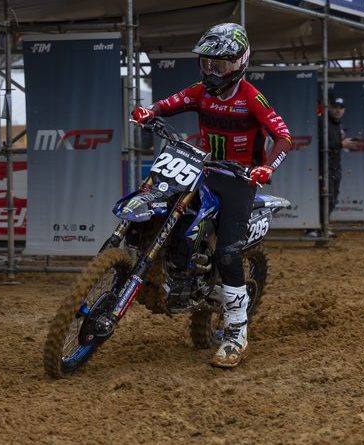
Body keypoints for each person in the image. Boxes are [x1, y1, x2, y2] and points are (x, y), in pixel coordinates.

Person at [131, 23, 291, 368]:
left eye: (219, 65)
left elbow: (283, 136)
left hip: (239, 179)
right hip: (203, 169)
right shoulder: (201, 91)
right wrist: (149, 111)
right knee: (162, 202)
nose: (211, 71)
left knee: (228, 254)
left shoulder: (251, 98)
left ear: (239, 63)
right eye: (207, 63)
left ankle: (236, 334)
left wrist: (267, 167)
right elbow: (170, 103)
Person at [305, 96, 360, 238]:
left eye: (341, 108)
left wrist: (343, 143)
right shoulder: (321, 122)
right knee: (324, 198)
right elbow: (319, 145)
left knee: (333, 199)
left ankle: (323, 226)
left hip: (335, 167)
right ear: (329, 107)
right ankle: (312, 228)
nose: (338, 110)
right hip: (322, 167)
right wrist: (341, 144)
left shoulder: (338, 125)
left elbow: (334, 144)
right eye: (335, 107)